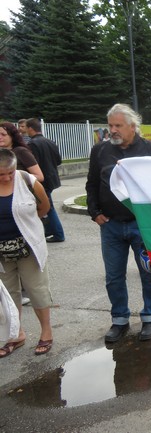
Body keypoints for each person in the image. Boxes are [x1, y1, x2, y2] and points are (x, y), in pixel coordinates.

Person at [85, 103, 151, 343]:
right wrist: (94, 211)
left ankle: (149, 318)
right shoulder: (100, 151)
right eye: (110, 125)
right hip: (110, 226)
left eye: (118, 125)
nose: (113, 130)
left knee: (149, 274)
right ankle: (119, 320)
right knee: (113, 276)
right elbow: (91, 184)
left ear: (133, 126)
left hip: (143, 226)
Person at [0, 148, 53, 357]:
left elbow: (44, 207)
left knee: (37, 290)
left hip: (28, 248)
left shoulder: (28, 181)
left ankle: (46, 333)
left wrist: (28, 229)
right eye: (0, 174)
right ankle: (15, 335)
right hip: (2, 253)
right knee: (8, 295)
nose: (6, 178)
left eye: (9, 173)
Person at [25, 118, 65, 243]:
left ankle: (58, 234)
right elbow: (58, 160)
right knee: (47, 205)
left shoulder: (32, 144)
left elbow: (32, 163)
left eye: (26, 128)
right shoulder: (50, 141)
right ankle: (49, 231)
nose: (25, 131)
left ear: (31, 128)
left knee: (48, 207)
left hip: (42, 180)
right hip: (52, 178)